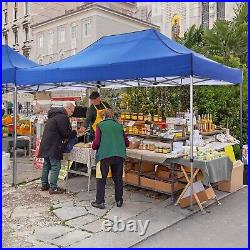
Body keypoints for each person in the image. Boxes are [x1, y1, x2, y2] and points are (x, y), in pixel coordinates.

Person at [91, 109, 129, 209]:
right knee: (118, 179)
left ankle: (100, 202)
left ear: (104, 116)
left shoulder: (100, 125)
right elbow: (126, 142)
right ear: (113, 116)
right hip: (119, 155)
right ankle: (119, 200)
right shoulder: (119, 126)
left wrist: (93, 146)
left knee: (101, 179)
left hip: (105, 155)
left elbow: (96, 142)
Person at [38, 102, 75, 194]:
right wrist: (74, 132)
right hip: (53, 145)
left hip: (46, 144)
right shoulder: (63, 117)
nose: (72, 114)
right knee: (55, 166)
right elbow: (65, 133)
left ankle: (44, 185)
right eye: (72, 112)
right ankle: (53, 187)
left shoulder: (54, 115)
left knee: (46, 165)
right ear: (68, 108)